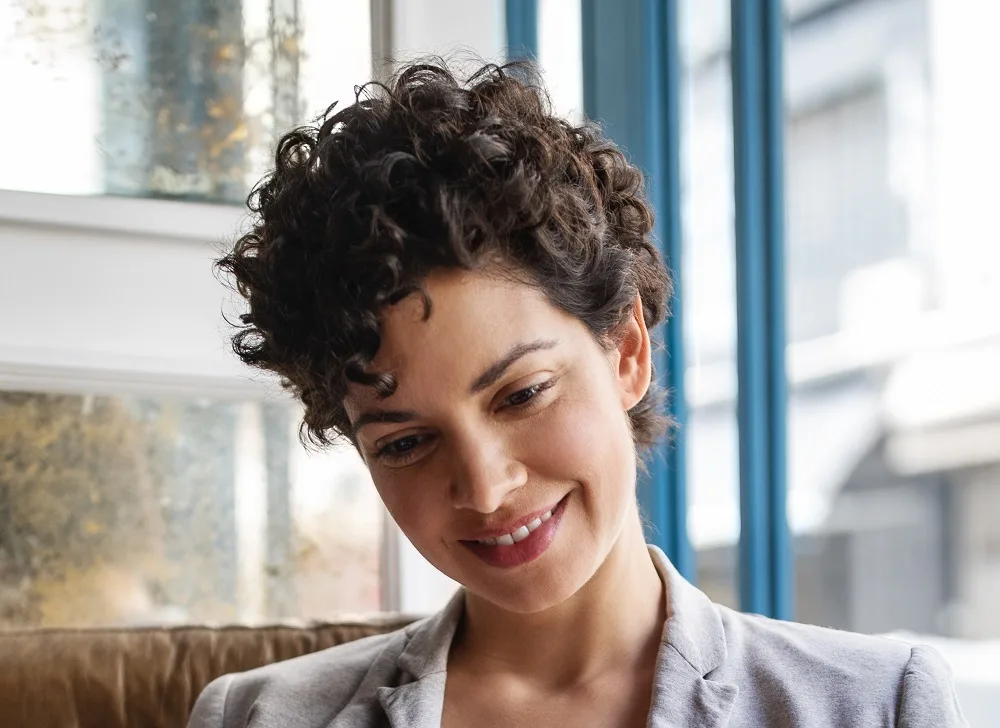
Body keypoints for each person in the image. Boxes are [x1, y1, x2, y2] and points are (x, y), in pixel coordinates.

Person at [188, 60, 967, 728]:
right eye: (406, 442)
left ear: (626, 348)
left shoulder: (875, 705)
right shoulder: (257, 716)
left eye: (522, 394)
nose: (487, 488)